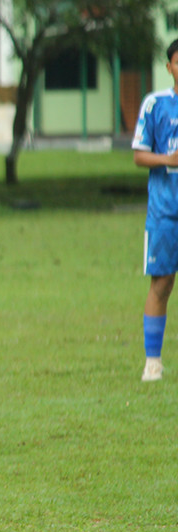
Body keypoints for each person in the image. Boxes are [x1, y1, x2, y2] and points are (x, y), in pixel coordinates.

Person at [133, 38, 178, 382]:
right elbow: (138, 155)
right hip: (165, 212)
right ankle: (153, 362)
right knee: (161, 283)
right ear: (169, 67)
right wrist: (167, 159)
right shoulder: (155, 105)